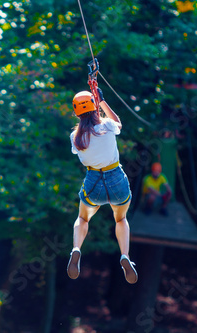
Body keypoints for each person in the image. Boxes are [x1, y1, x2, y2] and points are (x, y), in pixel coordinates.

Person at [66, 88, 138, 284]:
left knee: (83, 217)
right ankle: (125, 255)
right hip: (116, 180)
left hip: (93, 183)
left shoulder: (75, 137)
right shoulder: (107, 126)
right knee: (121, 219)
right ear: (94, 106)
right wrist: (102, 102)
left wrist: (95, 104)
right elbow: (118, 124)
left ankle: (76, 249)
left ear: (76, 112)